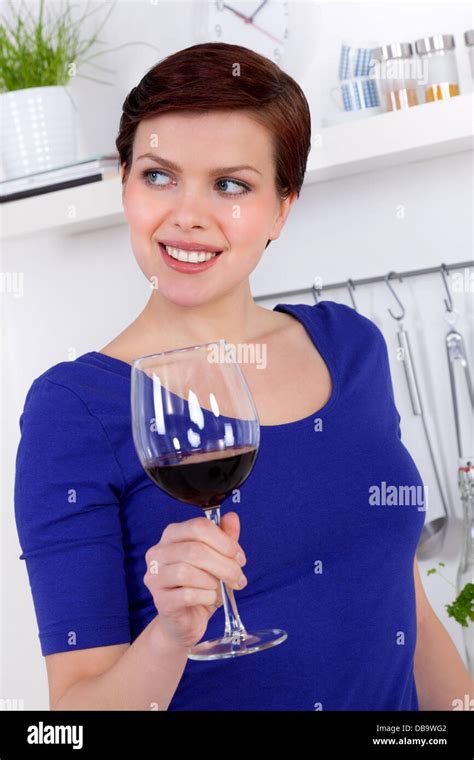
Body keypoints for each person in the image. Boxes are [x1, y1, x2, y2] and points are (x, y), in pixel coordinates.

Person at [14, 42, 472, 711]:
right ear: (125, 185)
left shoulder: (350, 347)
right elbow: (77, 716)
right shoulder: (73, 409)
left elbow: (412, 614)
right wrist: (171, 634)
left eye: (231, 184)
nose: (188, 215)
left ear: (282, 207)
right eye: (159, 175)